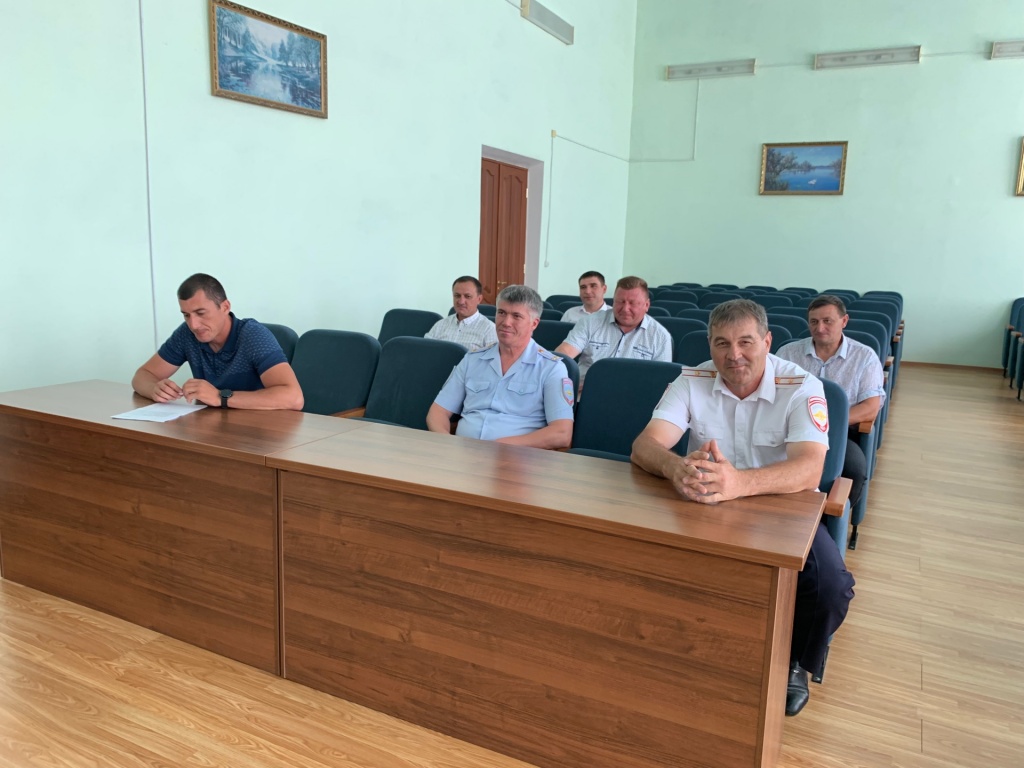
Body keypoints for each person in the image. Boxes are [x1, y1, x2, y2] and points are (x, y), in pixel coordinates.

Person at [630, 299, 854, 718]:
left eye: (746, 342)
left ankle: (794, 660)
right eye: (722, 343)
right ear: (710, 345)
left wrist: (740, 484)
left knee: (831, 587)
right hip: (707, 504)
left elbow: (810, 469)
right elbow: (645, 445)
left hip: (782, 507)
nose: (734, 355)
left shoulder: (801, 386)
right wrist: (675, 467)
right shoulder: (692, 379)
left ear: (767, 342)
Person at [427, 285, 574, 449]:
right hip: (462, 452)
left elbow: (561, 433)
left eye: (516, 316)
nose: (506, 322)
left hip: (518, 457)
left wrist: (501, 446)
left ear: (534, 323)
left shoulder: (551, 368)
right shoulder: (473, 359)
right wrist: (447, 444)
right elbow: (438, 412)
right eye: (501, 313)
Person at [775, 294, 884, 512]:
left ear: (844, 321)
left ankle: (828, 518)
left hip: (840, 433)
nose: (820, 328)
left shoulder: (864, 356)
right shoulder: (787, 353)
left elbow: (871, 407)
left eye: (827, 321)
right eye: (814, 322)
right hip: (789, 429)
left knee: (853, 470)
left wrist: (826, 424)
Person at [132, 273, 303, 410]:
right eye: (186, 315)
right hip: (212, 428)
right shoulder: (187, 334)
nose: (193, 324)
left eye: (201, 313)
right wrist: (153, 389)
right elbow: (142, 375)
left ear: (225, 307)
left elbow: (293, 398)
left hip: (259, 430)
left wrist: (220, 397)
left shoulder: (253, 335)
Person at [555, 276, 672, 383]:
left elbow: (661, 380)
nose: (625, 309)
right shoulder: (590, 322)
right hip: (586, 390)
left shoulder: (660, 337)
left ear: (646, 305)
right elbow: (564, 354)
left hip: (633, 394)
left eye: (632, 303)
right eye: (620, 302)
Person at [425, 275, 498, 352]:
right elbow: (425, 351)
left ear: (479, 299)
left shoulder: (489, 329)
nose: (461, 302)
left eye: (467, 296)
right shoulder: (440, 325)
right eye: (457, 296)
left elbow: (492, 358)